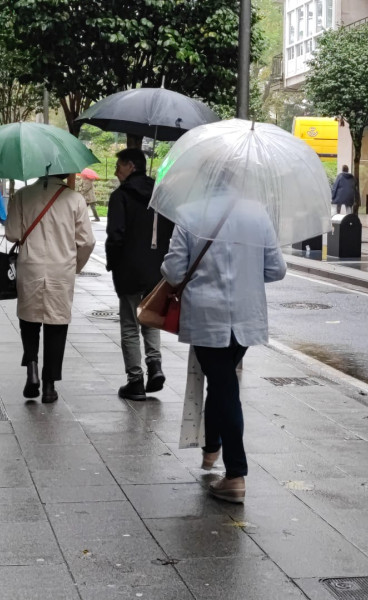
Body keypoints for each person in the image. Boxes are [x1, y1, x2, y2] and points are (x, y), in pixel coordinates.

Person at [161, 199, 287, 504]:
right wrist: (245, 276)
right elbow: (276, 269)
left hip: (207, 315)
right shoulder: (257, 212)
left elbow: (175, 271)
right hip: (245, 315)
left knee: (224, 387)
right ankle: (211, 447)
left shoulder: (190, 212)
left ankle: (235, 475)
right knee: (222, 382)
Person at [6, 175, 95, 403]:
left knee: (29, 319)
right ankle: (49, 386)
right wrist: (75, 265)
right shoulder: (75, 199)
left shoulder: (22, 196)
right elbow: (86, 241)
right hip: (61, 269)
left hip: (30, 266)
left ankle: (32, 368)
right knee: (57, 324)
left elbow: (12, 234)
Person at [106, 149, 174, 400]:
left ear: (131, 166)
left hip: (129, 268)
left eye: (119, 166)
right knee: (150, 315)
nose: (115, 171)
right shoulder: (161, 196)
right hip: (157, 269)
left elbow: (115, 235)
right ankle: (154, 366)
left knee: (130, 324)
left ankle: (135, 380)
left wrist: (112, 263)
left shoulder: (121, 196)